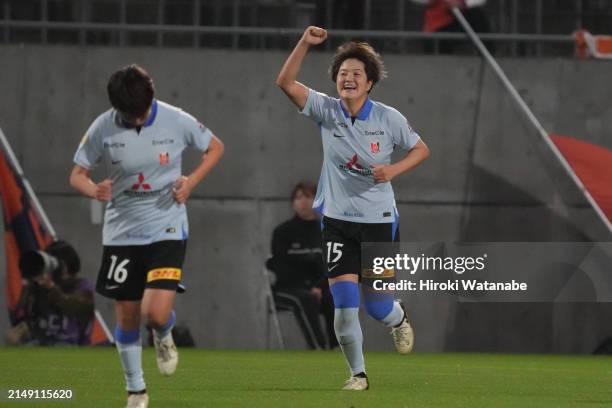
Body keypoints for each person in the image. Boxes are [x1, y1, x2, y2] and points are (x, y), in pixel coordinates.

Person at [276, 26, 430, 390]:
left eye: (356, 74)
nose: (348, 79)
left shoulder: (388, 118)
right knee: (344, 307)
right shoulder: (325, 110)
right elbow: (285, 82)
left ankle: (398, 317)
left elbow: (422, 149)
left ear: (369, 83)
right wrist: (304, 43)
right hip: (337, 223)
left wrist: (392, 169)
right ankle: (357, 375)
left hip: (379, 223)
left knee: (376, 307)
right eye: (343, 74)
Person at [69, 64, 224, 408]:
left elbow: (215, 147)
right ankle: (136, 391)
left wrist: (191, 182)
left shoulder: (176, 119)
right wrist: (94, 189)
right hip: (122, 233)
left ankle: (163, 331)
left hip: (167, 226)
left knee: (153, 313)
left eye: (142, 113)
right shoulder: (102, 127)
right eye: (130, 115)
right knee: (126, 313)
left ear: (151, 96)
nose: (138, 120)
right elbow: (77, 174)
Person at [267, 181, 338, 350]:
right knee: (305, 298)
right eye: (298, 197)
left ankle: (337, 348)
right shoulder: (282, 232)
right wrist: (307, 287)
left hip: (320, 289)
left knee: (336, 297)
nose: (303, 201)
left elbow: (333, 267)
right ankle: (317, 348)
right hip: (288, 289)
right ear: (293, 203)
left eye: (308, 196)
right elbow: (280, 266)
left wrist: (319, 287)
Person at [6, 240, 95, 346]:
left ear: (65, 266)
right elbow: (25, 315)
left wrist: (51, 288)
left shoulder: (83, 288)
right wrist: (22, 329)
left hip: (70, 347)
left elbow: (69, 306)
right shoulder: (39, 287)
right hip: (42, 343)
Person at [411, 0, 491, 53]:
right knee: (435, 45)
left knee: (476, 14)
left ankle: (489, 52)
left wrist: (462, 3)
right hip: (438, 27)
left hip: (463, 21)